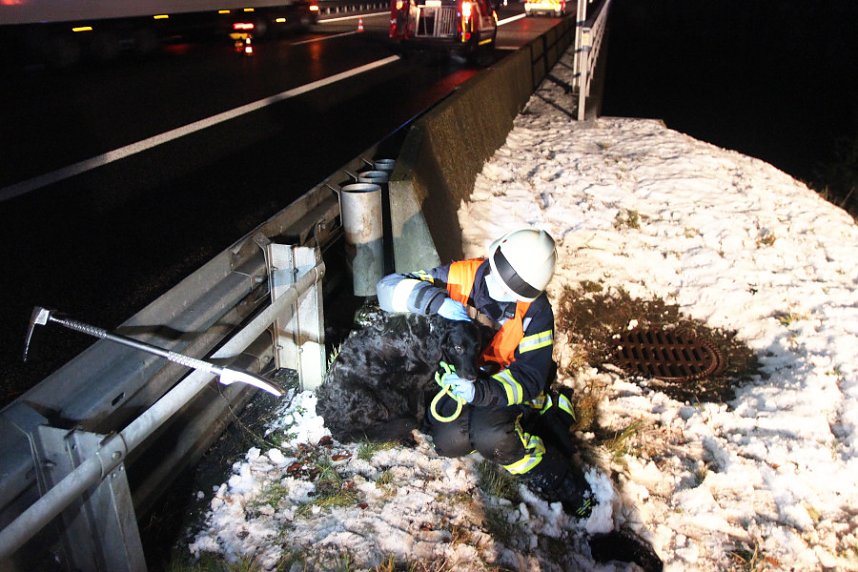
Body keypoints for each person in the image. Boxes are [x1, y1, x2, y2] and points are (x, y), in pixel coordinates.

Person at [377, 227, 592, 515]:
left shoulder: (536, 312)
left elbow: (529, 376)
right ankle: (493, 424)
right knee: (450, 441)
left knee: (493, 439)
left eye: (514, 291)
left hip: (503, 383)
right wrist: (435, 301)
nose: (502, 291)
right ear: (493, 256)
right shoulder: (458, 276)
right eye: (500, 279)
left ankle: (562, 481)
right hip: (465, 375)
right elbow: (388, 287)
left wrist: (482, 392)